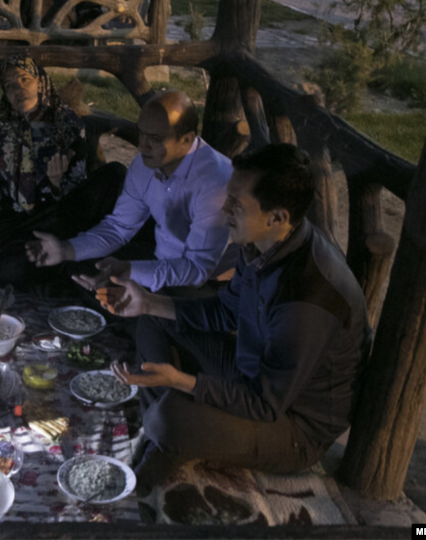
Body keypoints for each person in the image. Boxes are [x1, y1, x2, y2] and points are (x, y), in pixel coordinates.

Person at [99, 144, 371, 492]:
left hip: (293, 426)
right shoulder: (262, 244)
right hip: (251, 370)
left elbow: (265, 403)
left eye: (236, 204)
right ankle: (169, 431)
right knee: (152, 319)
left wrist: (185, 382)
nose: (223, 209)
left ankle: (169, 431)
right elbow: (226, 309)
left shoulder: (306, 295)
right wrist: (147, 303)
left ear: (277, 216)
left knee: (170, 418)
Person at [27, 90, 234, 293]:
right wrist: (65, 249)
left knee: (129, 307)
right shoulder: (145, 165)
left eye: (154, 138)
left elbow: (197, 270)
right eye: (141, 133)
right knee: (81, 273)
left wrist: (129, 274)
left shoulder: (214, 183)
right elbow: (119, 227)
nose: (142, 146)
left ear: (186, 140)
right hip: (161, 259)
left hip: (210, 282)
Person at [0, 55, 126, 288]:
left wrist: (56, 183)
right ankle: (56, 268)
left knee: (115, 173)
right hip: (19, 224)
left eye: (25, 79)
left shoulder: (67, 124)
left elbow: (78, 196)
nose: (19, 89)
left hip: (62, 218)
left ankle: (60, 258)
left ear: (40, 82)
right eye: (9, 85)